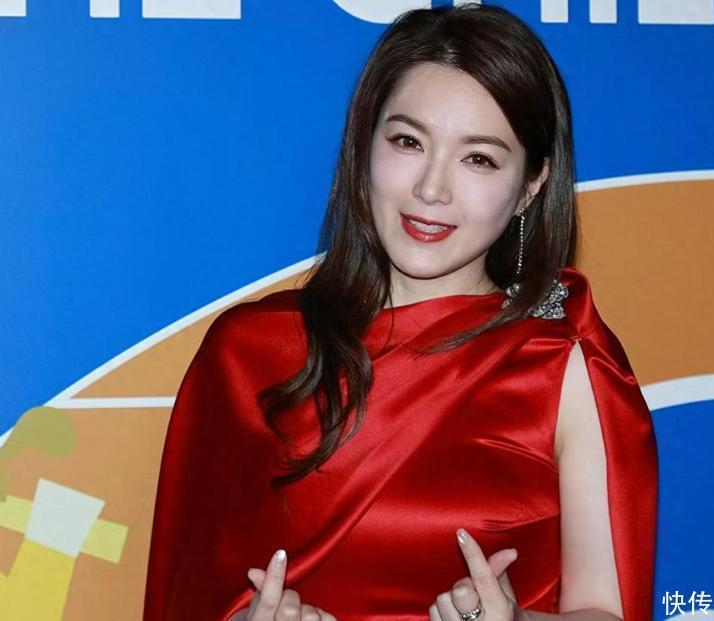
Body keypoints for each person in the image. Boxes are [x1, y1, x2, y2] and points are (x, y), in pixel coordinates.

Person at [142, 4, 658, 621]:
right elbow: (181, 595)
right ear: (365, 147)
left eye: (479, 158)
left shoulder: (567, 362)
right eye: (408, 141)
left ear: (531, 185)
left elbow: (608, 608)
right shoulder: (246, 351)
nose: (431, 189)